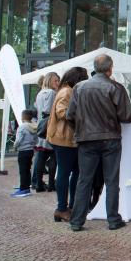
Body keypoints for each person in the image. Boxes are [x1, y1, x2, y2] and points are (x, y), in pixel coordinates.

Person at [66, 54, 131, 232]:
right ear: (110, 68)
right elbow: (126, 117)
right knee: (111, 180)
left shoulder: (80, 87)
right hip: (110, 138)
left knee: (84, 180)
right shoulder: (115, 87)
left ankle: (77, 221)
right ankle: (113, 219)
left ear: (95, 68)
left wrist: (81, 128)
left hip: (86, 139)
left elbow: (69, 116)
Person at [47, 67, 89, 222]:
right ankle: (62, 208)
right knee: (65, 173)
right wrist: (81, 116)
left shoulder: (67, 90)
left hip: (68, 139)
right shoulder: (67, 92)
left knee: (74, 172)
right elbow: (62, 111)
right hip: (64, 138)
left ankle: (69, 206)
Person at [34, 72, 60, 192]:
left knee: (41, 156)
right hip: (49, 127)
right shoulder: (51, 93)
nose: (57, 83)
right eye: (56, 81)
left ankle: (38, 183)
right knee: (53, 156)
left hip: (41, 127)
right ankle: (50, 184)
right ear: (49, 80)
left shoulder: (40, 93)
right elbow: (48, 111)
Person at [11, 110, 38, 198]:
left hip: (23, 151)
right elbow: (36, 140)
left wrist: (15, 146)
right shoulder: (34, 127)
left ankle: (23, 189)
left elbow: (18, 140)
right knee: (27, 169)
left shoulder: (22, 127)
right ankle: (27, 187)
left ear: (22, 117)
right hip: (30, 151)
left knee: (23, 171)